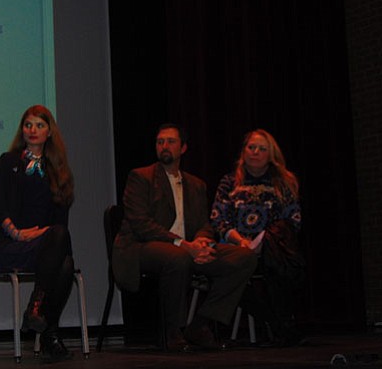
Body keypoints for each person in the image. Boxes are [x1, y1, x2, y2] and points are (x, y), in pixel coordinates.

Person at [112, 123, 257, 351]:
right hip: (142, 246)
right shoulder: (141, 177)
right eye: (160, 142)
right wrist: (183, 245)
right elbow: (141, 224)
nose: (164, 146)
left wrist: (200, 242)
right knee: (178, 257)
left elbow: (204, 224)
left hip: (188, 248)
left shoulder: (196, 184)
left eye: (170, 141)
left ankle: (201, 324)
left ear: (183, 148)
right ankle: (172, 332)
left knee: (243, 258)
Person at [0, 105, 75, 362]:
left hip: (44, 247)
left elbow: (61, 223)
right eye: (28, 125)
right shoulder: (7, 162)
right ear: (22, 130)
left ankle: (41, 318)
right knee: (62, 260)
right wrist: (18, 233)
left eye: (39, 125)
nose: (32, 130)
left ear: (49, 133)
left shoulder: (58, 171)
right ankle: (47, 330)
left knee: (64, 259)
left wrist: (43, 236)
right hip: (8, 243)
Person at [210, 128, 305, 346]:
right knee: (235, 269)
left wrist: (266, 242)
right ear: (243, 151)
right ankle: (277, 323)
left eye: (262, 149)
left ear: (271, 154)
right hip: (235, 247)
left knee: (279, 264)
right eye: (251, 147)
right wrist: (241, 242)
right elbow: (218, 219)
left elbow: (293, 221)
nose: (255, 152)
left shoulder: (284, 182)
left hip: (271, 249)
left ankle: (280, 322)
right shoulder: (229, 182)